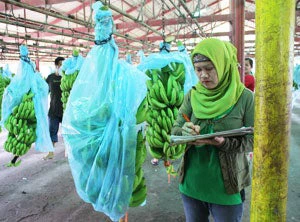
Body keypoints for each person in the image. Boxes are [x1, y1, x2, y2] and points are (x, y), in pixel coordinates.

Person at [171, 38, 254, 222]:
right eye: (199, 69)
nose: (203, 75)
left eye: (209, 68)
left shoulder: (245, 98)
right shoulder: (192, 95)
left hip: (226, 187)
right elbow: (176, 128)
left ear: (223, 65)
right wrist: (184, 132)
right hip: (192, 183)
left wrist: (224, 143)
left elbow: (255, 140)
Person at [43, 56, 65, 160]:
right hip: (53, 109)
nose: (62, 67)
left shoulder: (66, 77)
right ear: (56, 65)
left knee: (68, 132)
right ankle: (51, 152)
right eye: (60, 65)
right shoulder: (50, 77)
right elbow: (44, 91)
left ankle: (70, 152)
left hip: (65, 110)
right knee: (52, 131)